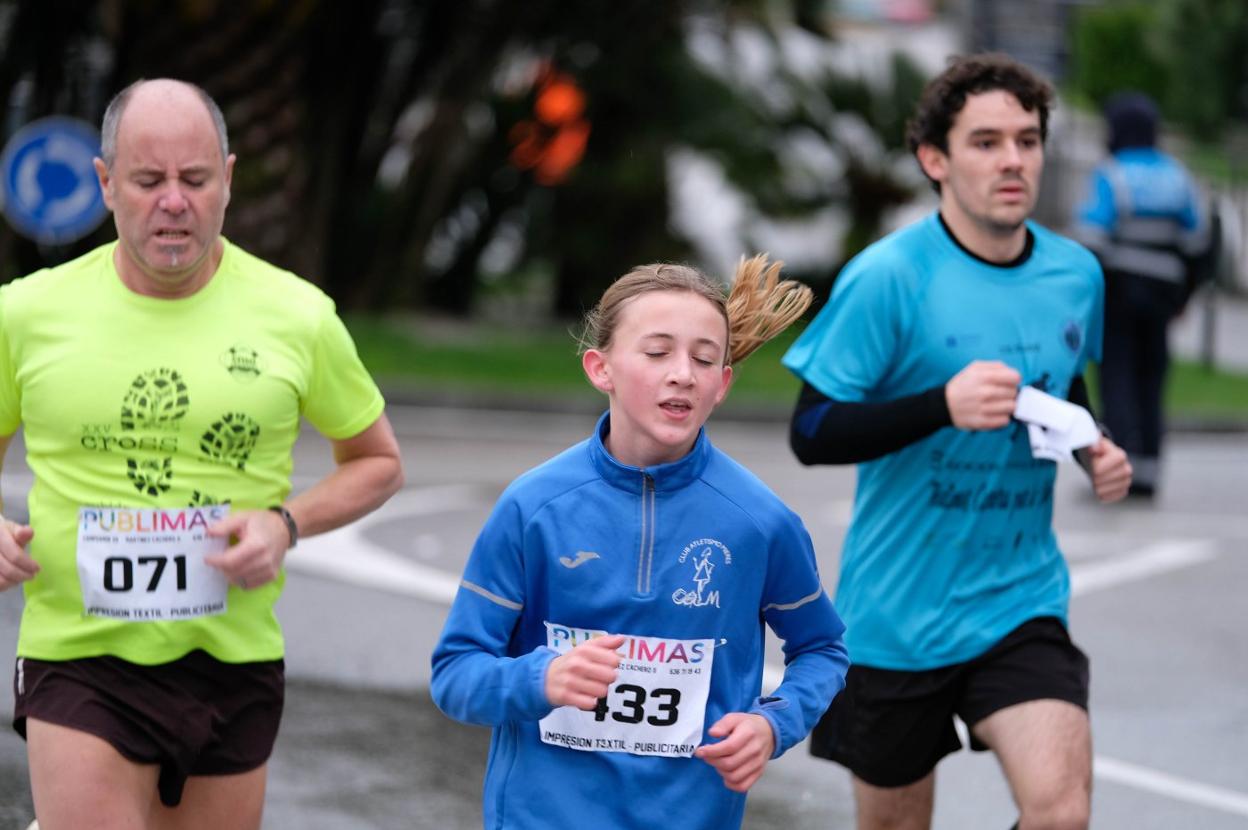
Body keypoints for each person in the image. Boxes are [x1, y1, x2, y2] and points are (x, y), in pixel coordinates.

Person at [0, 79, 404, 830]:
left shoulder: (298, 316)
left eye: (195, 179)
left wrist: (285, 525)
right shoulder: (27, 313)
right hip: (78, 653)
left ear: (229, 178)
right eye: (149, 181)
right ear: (105, 184)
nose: (174, 202)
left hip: (232, 658)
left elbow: (377, 462)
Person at [782, 54, 1133, 830]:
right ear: (934, 159)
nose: (1013, 159)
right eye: (985, 142)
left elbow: (1061, 384)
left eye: (1028, 139)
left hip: (1019, 600)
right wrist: (940, 404)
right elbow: (810, 431)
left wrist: (1092, 447)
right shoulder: (888, 278)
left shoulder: (1075, 274)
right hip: (896, 617)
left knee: (1061, 813)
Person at [431, 256, 849, 829]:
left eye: (705, 359)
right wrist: (541, 679)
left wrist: (774, 723)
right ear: (600, 369)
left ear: (722, 383)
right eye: (657, 353)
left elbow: (822, 649)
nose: (683, 373)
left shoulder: (760, 522)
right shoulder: (533, 508)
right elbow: (456, 674)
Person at [1074, 91, 1211, 498]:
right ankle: (1149, 471)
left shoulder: (1111, 174)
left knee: (1117, 377)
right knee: (1152, 378)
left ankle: (1120, 469)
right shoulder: (1178, 176)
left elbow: (1091, 241)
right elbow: (1200, 243)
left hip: (1118, 294)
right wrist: (1183, 296)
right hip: (1163, 297)